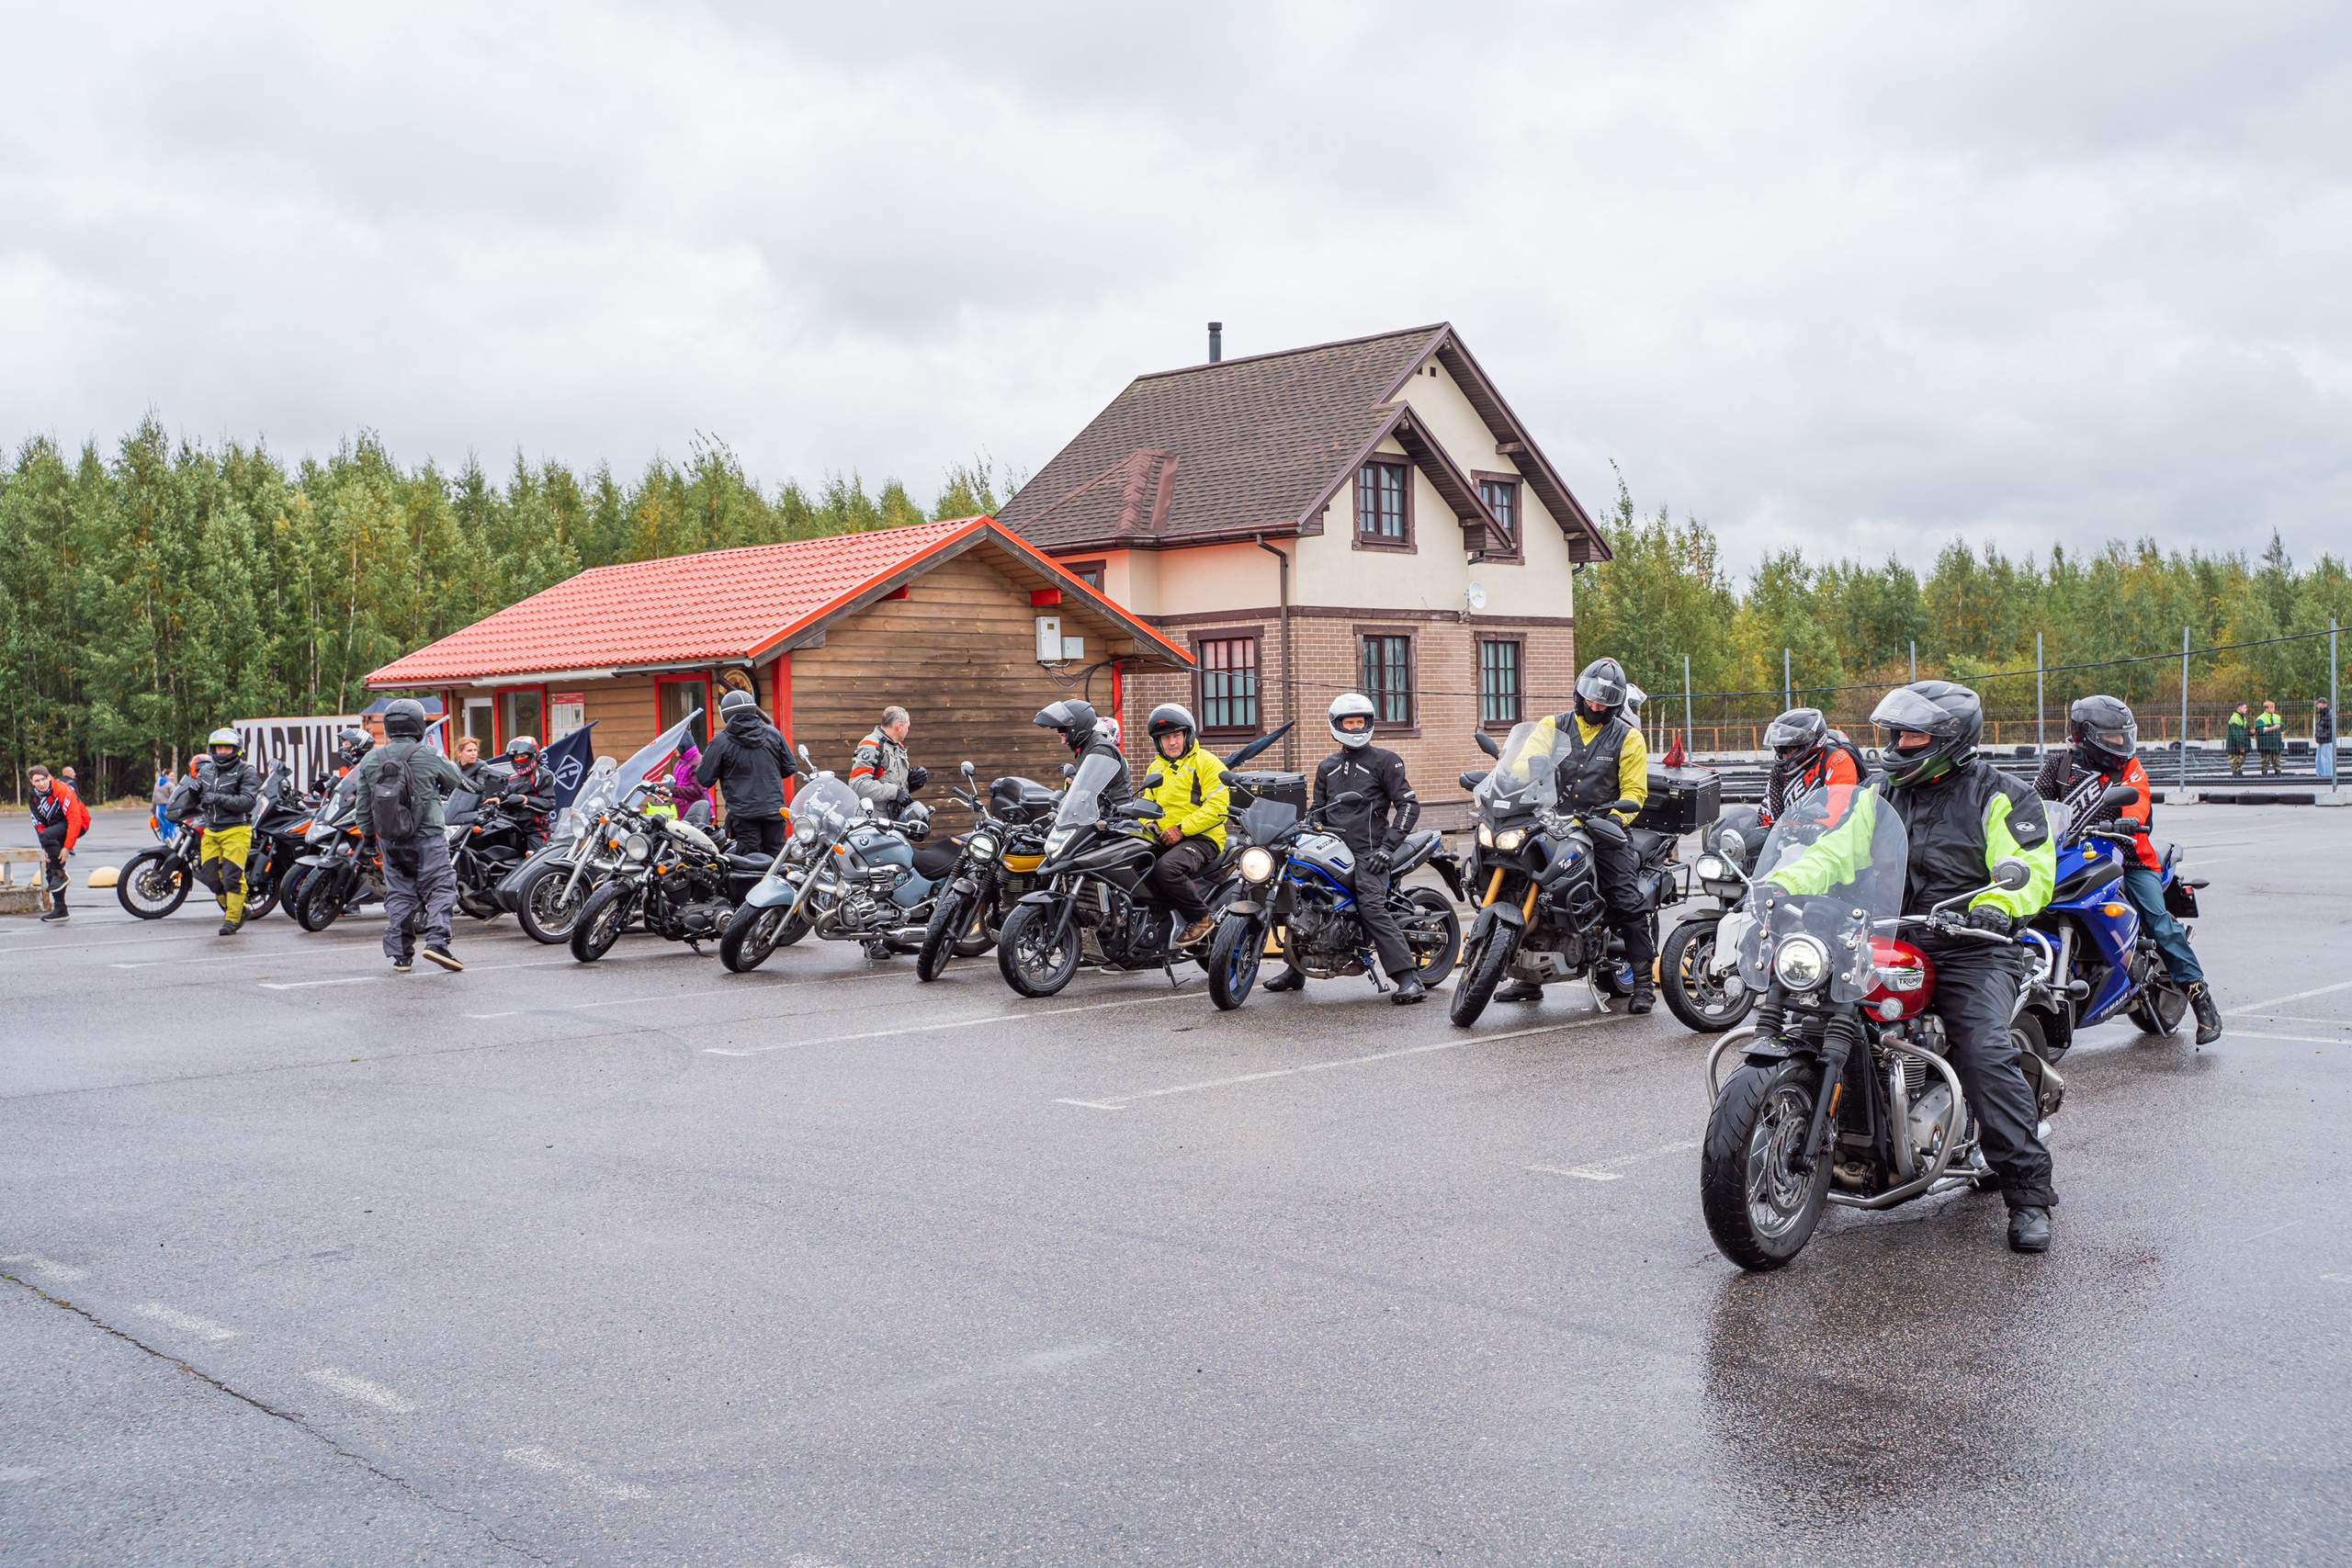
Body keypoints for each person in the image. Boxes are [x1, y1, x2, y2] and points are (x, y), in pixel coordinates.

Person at [1778, 680, 2058, 1251]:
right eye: (1896, 734)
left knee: (1982, 1047)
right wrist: (1783, 882)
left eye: (1912, 736)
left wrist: (1998, 905)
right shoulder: (1880, 794)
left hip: (1971, 942)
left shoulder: (1999, 793)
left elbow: (2029, 864)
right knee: (1812, 1013)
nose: (1899, 744)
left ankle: (2029, 1194)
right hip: (1885, 932)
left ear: (1950, 740)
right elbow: (1836, 850)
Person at [2035, 695, 2222, 1044]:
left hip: (2130, 855)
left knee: (2158, 921)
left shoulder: (2129, 767)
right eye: (2112, 738)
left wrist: (2127, 822)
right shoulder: (2059, 766)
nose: (2120, 744)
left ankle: (2202, 999)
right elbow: (2035, 803)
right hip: (2070, 854)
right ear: (2085, 734)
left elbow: (2137, 799)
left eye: (2124, 737)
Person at [1494, 657, 1657, 1013]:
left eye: (1605, 702)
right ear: (1579, 694)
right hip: (1549, 820)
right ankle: (1527, 978)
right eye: (1591, 698)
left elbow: (1635, 792)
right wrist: (1525, 770)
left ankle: (1644, 983)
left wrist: (1611, 819)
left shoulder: (1629, 738)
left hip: (1600, 828)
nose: (1596, 706)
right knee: (1527, 885)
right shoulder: (1553, 725)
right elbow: (1522, 762)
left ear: (1615, 705)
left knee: (1626, 899)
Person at [1263, 693, 1427, 1004]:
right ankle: (1295, 969)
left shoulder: (1385, 760)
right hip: (1331, 846)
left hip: (1370, 851)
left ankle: (1409, 978)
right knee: (1298, 892)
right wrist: (1300, 829)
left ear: (1369, 723)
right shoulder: (1328, 766)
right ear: (1337, 725)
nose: (1354, 728)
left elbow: (1408, 805)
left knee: (1371, 905)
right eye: (1349, 722)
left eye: (1360, 722)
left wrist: (1387, 848)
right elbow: (1318, 810)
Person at [355, 697, 465, 973]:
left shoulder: (372, 759)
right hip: (428, 836)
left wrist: (368, 837)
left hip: (389, 839)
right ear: (418, 724)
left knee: (399, 893)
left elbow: (363, 803)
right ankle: (437, 942)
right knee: (441, 885)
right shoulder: (428, 753)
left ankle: (401, 955)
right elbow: (454, 779)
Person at [1138, 703, 1229, 947]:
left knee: (1167, 869)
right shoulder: (1156, 767)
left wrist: (1181, 829)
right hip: (1166, 837)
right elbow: (1146, 805)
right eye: (1165, 738)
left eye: (1176, 735)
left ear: (1187, 735)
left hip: (1203, 838)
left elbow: (1218, 809)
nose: (1172, 743)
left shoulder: (1207, 763)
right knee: (1129, 861)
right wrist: (1149, 824)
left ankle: (1200, 917)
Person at [695, 688, 796, 859]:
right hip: (774, 810)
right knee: (776, 862)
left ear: (725, 714)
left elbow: (704, 778)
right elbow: (789, 767)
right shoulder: (773, 734)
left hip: (744, 815)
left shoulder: (721, 741)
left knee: (749, 864)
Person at [1758, 707, 1868, 826]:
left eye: (1790, 748)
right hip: (1787, 838)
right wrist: (1765, 832)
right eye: (1780, 748)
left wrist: (1815, 827)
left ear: (1809, 741)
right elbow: (1768, 813)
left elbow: (1840, 805)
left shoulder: (1837, 759)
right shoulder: (1779, 771)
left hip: (1827, 837)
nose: (1785, 754)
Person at [1033, 699, 1132, 811]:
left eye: (1064, 736)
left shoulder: (1100, 750)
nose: (1063, 742)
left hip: (1114, 818)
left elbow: (1089, 792)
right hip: (1100, 816)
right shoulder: (1088, 746)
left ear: (1076, 729)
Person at [27, 765, 88, 923]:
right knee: (50, 871)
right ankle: (61, 909)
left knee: (56, 868)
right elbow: (38, 822)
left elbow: (75, 820)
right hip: (55, 827)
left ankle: (60, 874)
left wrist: (67, 848)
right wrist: (45, 847)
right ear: (32, 782)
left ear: (49, 777)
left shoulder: (63, 790)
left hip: (79, 823)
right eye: (37, 781)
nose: (41, 783)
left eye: (43, 779)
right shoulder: (33, 796)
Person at [849, 705, 928, 818]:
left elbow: (889, 779)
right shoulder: (871, 745)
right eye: (907, 727)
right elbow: (858, 784)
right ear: (899, 726)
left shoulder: (897, 746)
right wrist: (895, 792)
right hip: (874, 821)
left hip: (894, 819)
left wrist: (911, 782)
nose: (907, 731)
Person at [495, 737, 557, 848]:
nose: (519, 760)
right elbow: (506, 795)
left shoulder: (543, 776)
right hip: (512, 826)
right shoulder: (513, 778)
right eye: (516, 757)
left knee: (535, 863)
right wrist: (498, 799)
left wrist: (526, 800)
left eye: (522, 756)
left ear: (533, 755)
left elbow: (549, 803)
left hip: (535, 830)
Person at [2254, 699, 2285, 775]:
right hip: (2265, 745)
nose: (2273, 709)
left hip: (2276, 744)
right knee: (2264, 762)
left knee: (2277, 761)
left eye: (2273, 707)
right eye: (2271, 708)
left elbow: (2282, 730)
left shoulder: (2277, 717)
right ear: (2266, 708)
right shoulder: (2260, 718)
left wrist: (2282, 740)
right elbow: (2260, 730)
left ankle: (2278, 775)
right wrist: (2273, 728)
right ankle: (2264, 775)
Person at [152, 769, 179, 845]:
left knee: (163, 828)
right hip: (168, 808)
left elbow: (154, 798)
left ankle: (164, 844)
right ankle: (173, 844)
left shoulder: (157, 784)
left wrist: (153, 810)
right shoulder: (170, 784)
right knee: (172, 826)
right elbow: (175, 797)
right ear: (166, 775)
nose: (173, 777)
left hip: (158, 808)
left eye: (174, 776)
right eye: (171, 775)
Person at [2225, 704, 2249, 775]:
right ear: (2239, 708)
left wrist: (2250, 732)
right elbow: (2237, 734)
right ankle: (2236, 776)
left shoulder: (2242, 718)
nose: (2246, 709)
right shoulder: (2235, 718)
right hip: (2234, 745)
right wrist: (2240, 746)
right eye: (2245, 708)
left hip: (2239, 744)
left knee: (2240, 761)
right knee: (2236, 761)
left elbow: (2244, 730)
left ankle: (2237, 775)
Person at [2318, 698, 2337, 785]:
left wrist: (2322, 736)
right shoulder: (2323, 714)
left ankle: (2327, 776)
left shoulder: (2329, 714)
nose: (2317, 705)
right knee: (2319, 760)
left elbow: (2331, 729)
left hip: (2327, 741)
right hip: (2322, 740)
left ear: (2323, 704)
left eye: (2318, 703)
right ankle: (2320, 775)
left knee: (2326, 760)